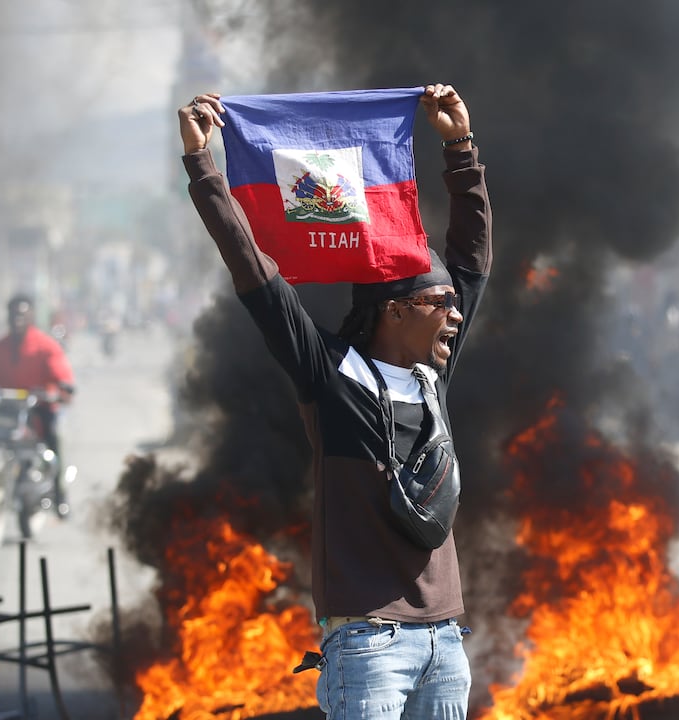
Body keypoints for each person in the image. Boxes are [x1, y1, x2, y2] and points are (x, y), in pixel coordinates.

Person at [180, 84, 490, 719]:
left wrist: (459, 147)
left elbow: (473, 261)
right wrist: (203, 167)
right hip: (369, 646)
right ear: (396, 310)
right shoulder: (330, 374)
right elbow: (255, 272)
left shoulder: (433, 376)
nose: (456, 316)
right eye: (441, 305)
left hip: (446, 642)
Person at [0, 294, 76, 517]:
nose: (17, 318)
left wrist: (59, 391)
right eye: (13, 313)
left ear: (31, 316)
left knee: (54, 436)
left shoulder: (46, 346)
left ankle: (59, 494)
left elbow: (62, 376)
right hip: (8, 408)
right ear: (7, 316)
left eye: (22, 313)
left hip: (39, 408)